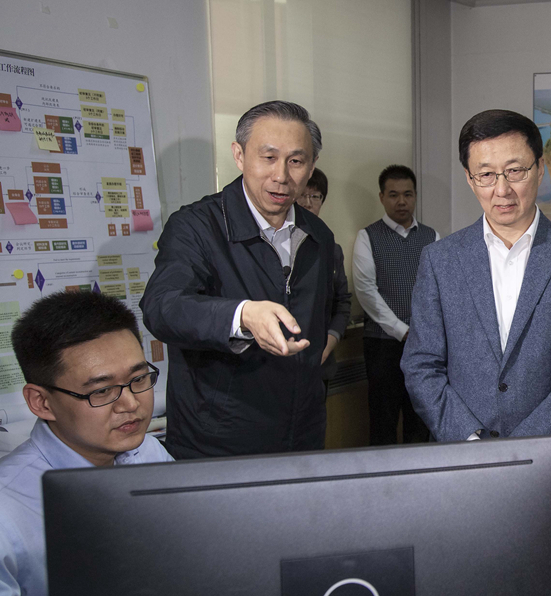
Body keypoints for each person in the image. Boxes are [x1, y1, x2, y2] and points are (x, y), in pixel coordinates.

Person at [401, 109, 551, 441]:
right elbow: (421, 365)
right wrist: (469, 438)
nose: (501, 190)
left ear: (540, 169)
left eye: (515, 171)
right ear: (470, 179)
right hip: (462, 452)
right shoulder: (439, 260)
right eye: (486, 174)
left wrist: (521, 448)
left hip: (550, 454)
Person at [141, 100, 335, 458]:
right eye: (268, 157)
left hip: (302, 433)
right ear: (239, 155)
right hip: (218, 440)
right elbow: (162, 306)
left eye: (296, 161)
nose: (281, 175)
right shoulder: (197, 226)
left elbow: (326, 308)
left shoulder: (318, 235)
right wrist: (242, 315)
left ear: (312, 166)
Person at [0, 290, 172, 595]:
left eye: (138, 379)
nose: (131, 404)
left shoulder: (148, 451)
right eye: (101, 391)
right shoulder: (7, 510)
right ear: (41, 402)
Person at [352, 165, 439, 445]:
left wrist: (424, 333)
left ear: (415, 196)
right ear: (382, 197)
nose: (401, 201)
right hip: (382, 345)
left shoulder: (432, 237)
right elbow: (366, 291)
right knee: (383, 421)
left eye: (407, 194)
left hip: (424, 345)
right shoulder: (368, 237)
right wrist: (401, 330)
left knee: (420, 419)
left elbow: (440, 290)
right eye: (393, 195)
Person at [298, 168, 352, 390]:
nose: (308, 203)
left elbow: (342, 302)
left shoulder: (332, 249)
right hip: (277, 363)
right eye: (302, 194)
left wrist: (328, 344)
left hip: (320, 362)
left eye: (315, 196)